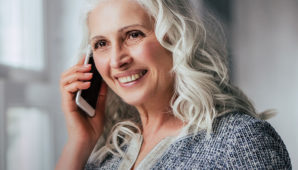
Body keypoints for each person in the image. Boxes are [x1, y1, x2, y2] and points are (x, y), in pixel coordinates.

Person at [56, 0, 291, 169]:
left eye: (133, 35)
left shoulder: (239, 141)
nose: (117, 60)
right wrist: (78, 144)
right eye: (101, 44)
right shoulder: (106, 156)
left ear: (174, 37)